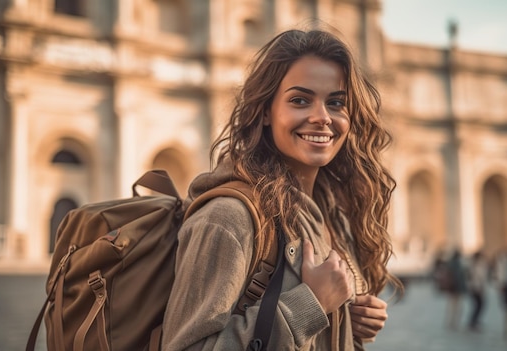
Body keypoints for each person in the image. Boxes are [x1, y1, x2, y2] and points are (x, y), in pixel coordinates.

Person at [161, 27, 403, 350]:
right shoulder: (228, 219)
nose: (322, 117)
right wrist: (311, 304)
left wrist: (346, 321)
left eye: (335, 103)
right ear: (264, 112)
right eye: (300, 100)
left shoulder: (329, 215)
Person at [444, 249, 468, 330]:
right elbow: (459, 278)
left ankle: (451, 323)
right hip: (455, 288)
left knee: (452, 306)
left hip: (453, 288)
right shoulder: (457, 264)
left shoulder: (451, 263)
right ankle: (453, 323)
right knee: (455, 307)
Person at [466, 250, 488, 331]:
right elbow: (478, 278)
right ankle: (473, 322)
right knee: (478, 305)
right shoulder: (476, 266)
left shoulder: (473, 265)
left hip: (474, 288)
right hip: (476, 288)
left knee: (478, 305)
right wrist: (479, 288)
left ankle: (474, 321)